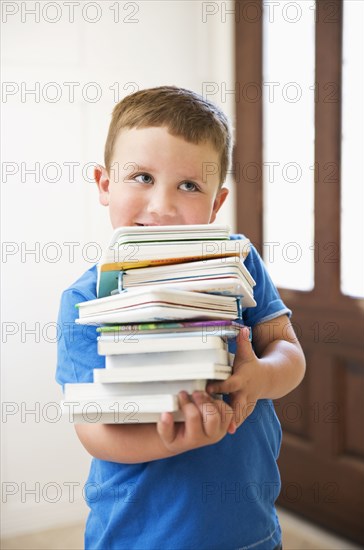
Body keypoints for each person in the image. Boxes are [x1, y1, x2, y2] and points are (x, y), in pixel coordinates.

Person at [56, 86, 306, 550]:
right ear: (105, 185)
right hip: (137, 536)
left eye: (189, 185)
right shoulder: (83, 299)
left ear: (215, 203)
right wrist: (177, 440)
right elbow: (95, 432)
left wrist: (258, 378)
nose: (163, 206)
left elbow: (289, 351)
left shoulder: (240, 261)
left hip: (249, 532)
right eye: (142, 177)